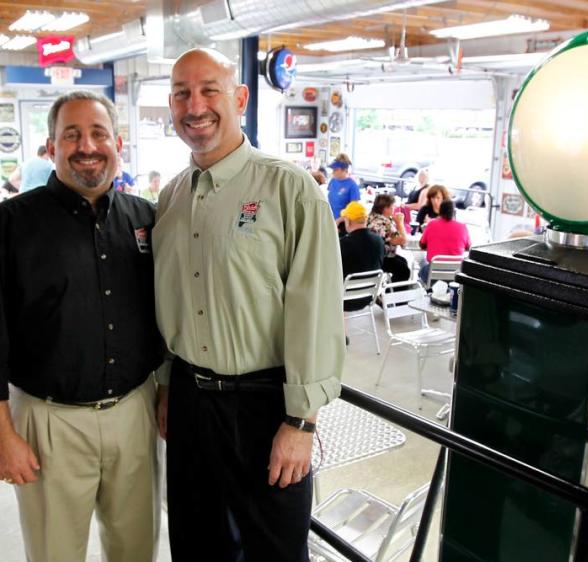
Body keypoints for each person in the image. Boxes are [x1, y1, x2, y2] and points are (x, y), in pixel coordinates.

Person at [154, 47, 344, 562]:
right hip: (191, 402)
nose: (195, 106)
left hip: (266, 406)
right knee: (197, 545)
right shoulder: (169, 200)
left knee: (275, 552)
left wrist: (301, 423)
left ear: (239, 97)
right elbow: (171, 303)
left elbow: (317, 309)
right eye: (181, 93)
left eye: (209, 90)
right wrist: (168, 385)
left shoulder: (289, 189)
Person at [0, 90, 162, 562]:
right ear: (50, 147)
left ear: (118, 143)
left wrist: (164, 389)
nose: (86, 146)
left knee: (137, 549)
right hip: (48, 424)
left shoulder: (145, 220)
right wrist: (2, 438)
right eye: (72, 135)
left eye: (98, 133)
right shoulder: (3, 229)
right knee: (55, 553)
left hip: (135, 412)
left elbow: (163, 319)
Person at [340, 200, 385, 310]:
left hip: (344, 300)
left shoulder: (343, 244)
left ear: (348, 220)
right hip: (368, 297)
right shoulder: (379, 240)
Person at [418, 199, 471, 284]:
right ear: (454, 212)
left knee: (421, 265)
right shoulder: (462, 227)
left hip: (433, 274)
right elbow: (468, 247)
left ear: (440, 211)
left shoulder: (432, 224)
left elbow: (422, 244)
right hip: (455, 275)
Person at [367, 194, 410, 283]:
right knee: (404, 270)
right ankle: (392, 294)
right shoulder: (383, 222)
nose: (393, 209)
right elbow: (403, 242)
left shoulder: (370, 217)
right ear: (385, 208)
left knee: (403, 261)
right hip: (381, 258)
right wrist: (400, 223)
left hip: (369, 256)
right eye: (392, 207)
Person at [327, 153, 360, 223]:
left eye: (336, 170)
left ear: (344, 170)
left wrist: (338, 221)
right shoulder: (332, 181)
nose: (333, 172)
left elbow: (354, 210)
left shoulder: (352, 186)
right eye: (333, 169)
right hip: (330, 220)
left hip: (343, 224)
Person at [403, 168, 430, 234]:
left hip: (416, 215)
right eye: (420, 175)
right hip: (408, 213)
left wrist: (405, 206)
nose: (420, 177)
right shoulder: (416, 186)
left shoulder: (426, 189)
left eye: (422, 176)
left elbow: (419, 205)